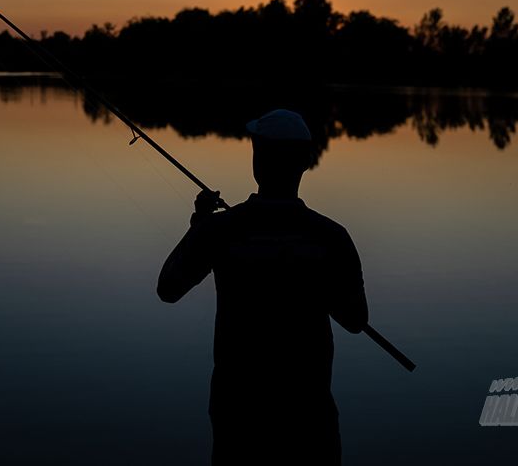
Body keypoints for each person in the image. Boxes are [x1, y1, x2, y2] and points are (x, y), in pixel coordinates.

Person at [158, 109, 369, 465]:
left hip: (238, 414)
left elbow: (168, 288)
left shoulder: (219, 231)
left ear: (257, 160)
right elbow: (355, 320)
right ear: (304, 163)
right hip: (310, 415)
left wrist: (199, 225)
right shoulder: (332, 237)